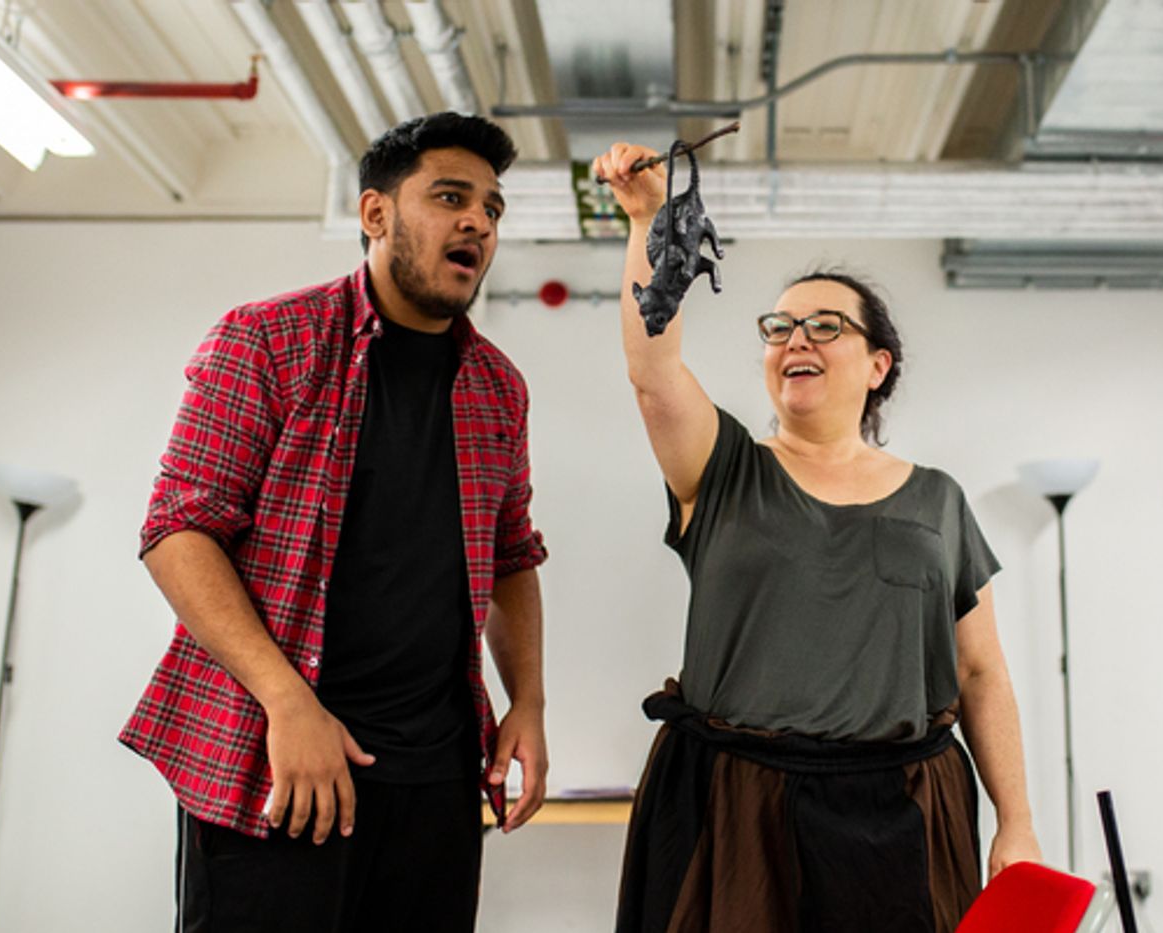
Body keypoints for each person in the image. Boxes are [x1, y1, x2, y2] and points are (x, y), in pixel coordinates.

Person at [593, 142, 1042, 933]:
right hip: (735, 806)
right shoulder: (723, 468)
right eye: (781, 325)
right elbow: (654, 373)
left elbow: (980, 670)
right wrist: (647, 222)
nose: (796, 337)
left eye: (825, 325)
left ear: (878, 364)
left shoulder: (938, 500)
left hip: (901, 809)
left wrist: (1017, 820)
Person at [120, 113, 549, 933]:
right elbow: (178, 531)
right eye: (450, 197)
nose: (478, 223)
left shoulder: (499, 386)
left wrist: (526, 701)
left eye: (492, 209)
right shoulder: (268, 341)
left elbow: (511, 556)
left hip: (436, 779)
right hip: (280, 761)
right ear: (375, 214)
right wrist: (290, 702)